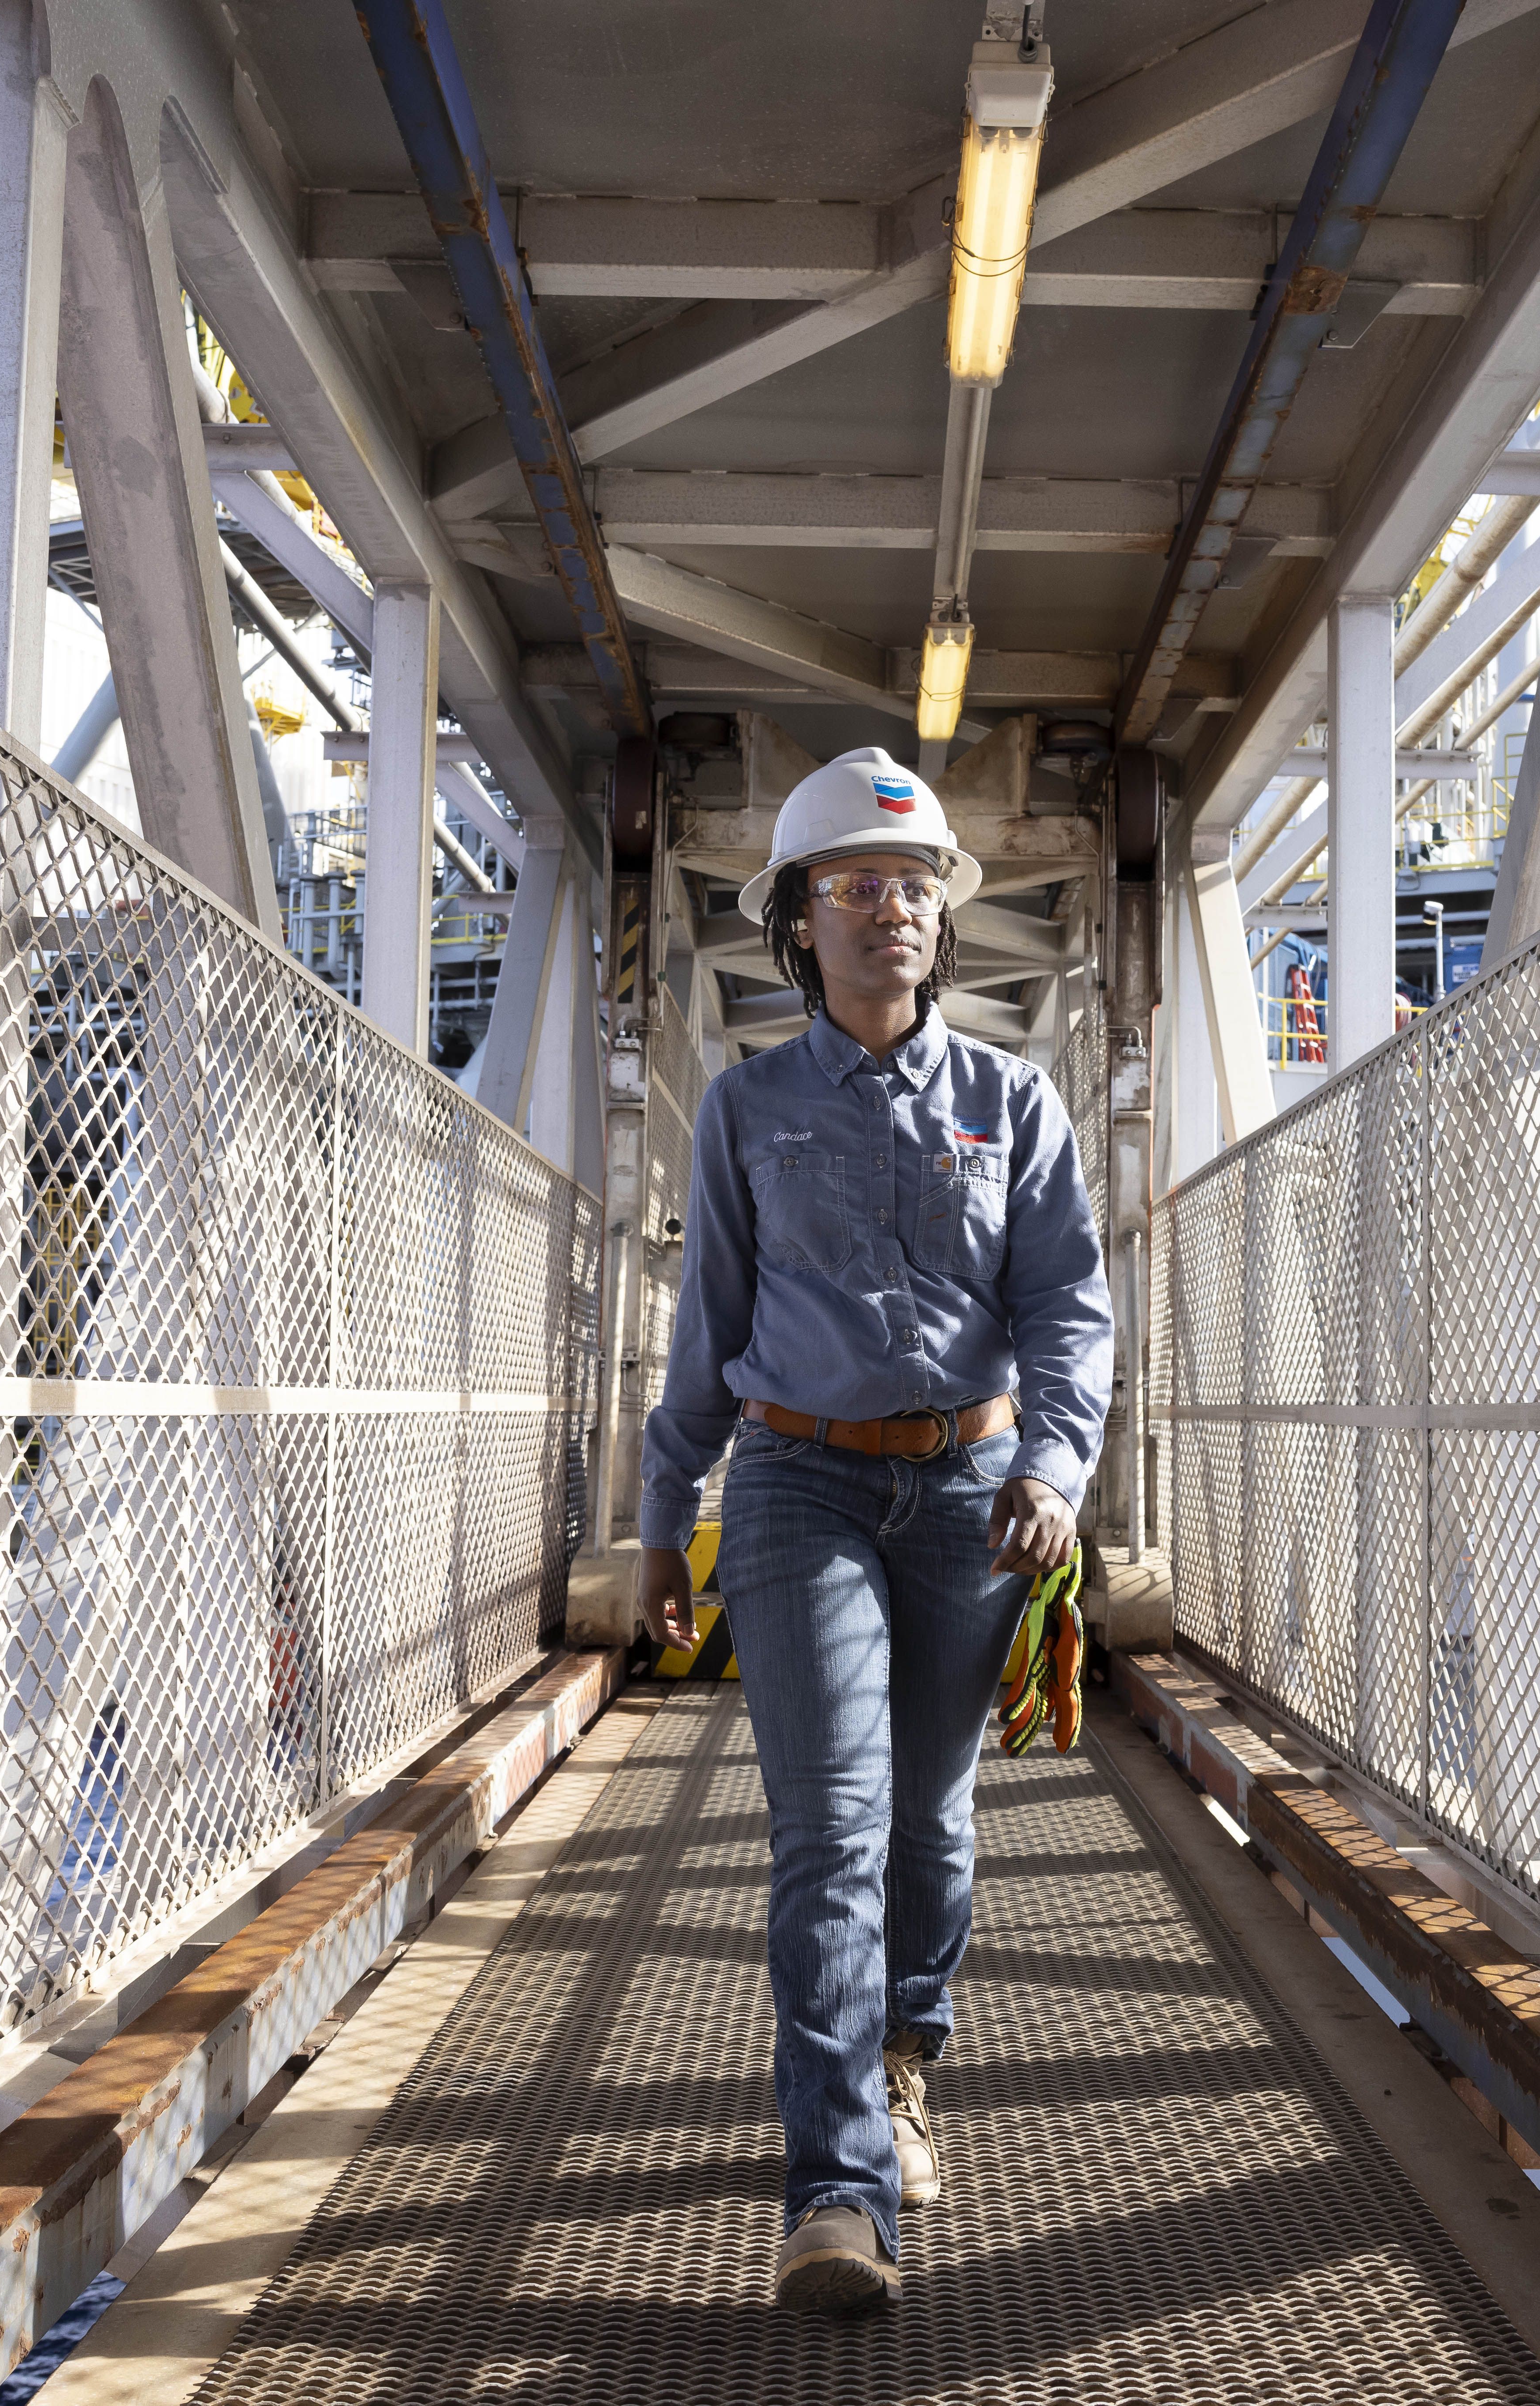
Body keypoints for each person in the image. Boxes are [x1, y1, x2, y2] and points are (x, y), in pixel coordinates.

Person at [637, 745, 1113, 2315]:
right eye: (855, 887)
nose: (890, 910)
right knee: (830, 1830)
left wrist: (1056, 1466)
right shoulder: (746, 1107)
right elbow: (707, 1329)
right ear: (797, 921)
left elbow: (1065, 1307)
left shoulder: (1012, 1101)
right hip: (796, 1486)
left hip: (977, 1500)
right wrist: (660, 1518)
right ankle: (834, 2197)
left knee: (930, 1820)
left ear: (942, 919)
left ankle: (908, 2053)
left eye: (913, 887)